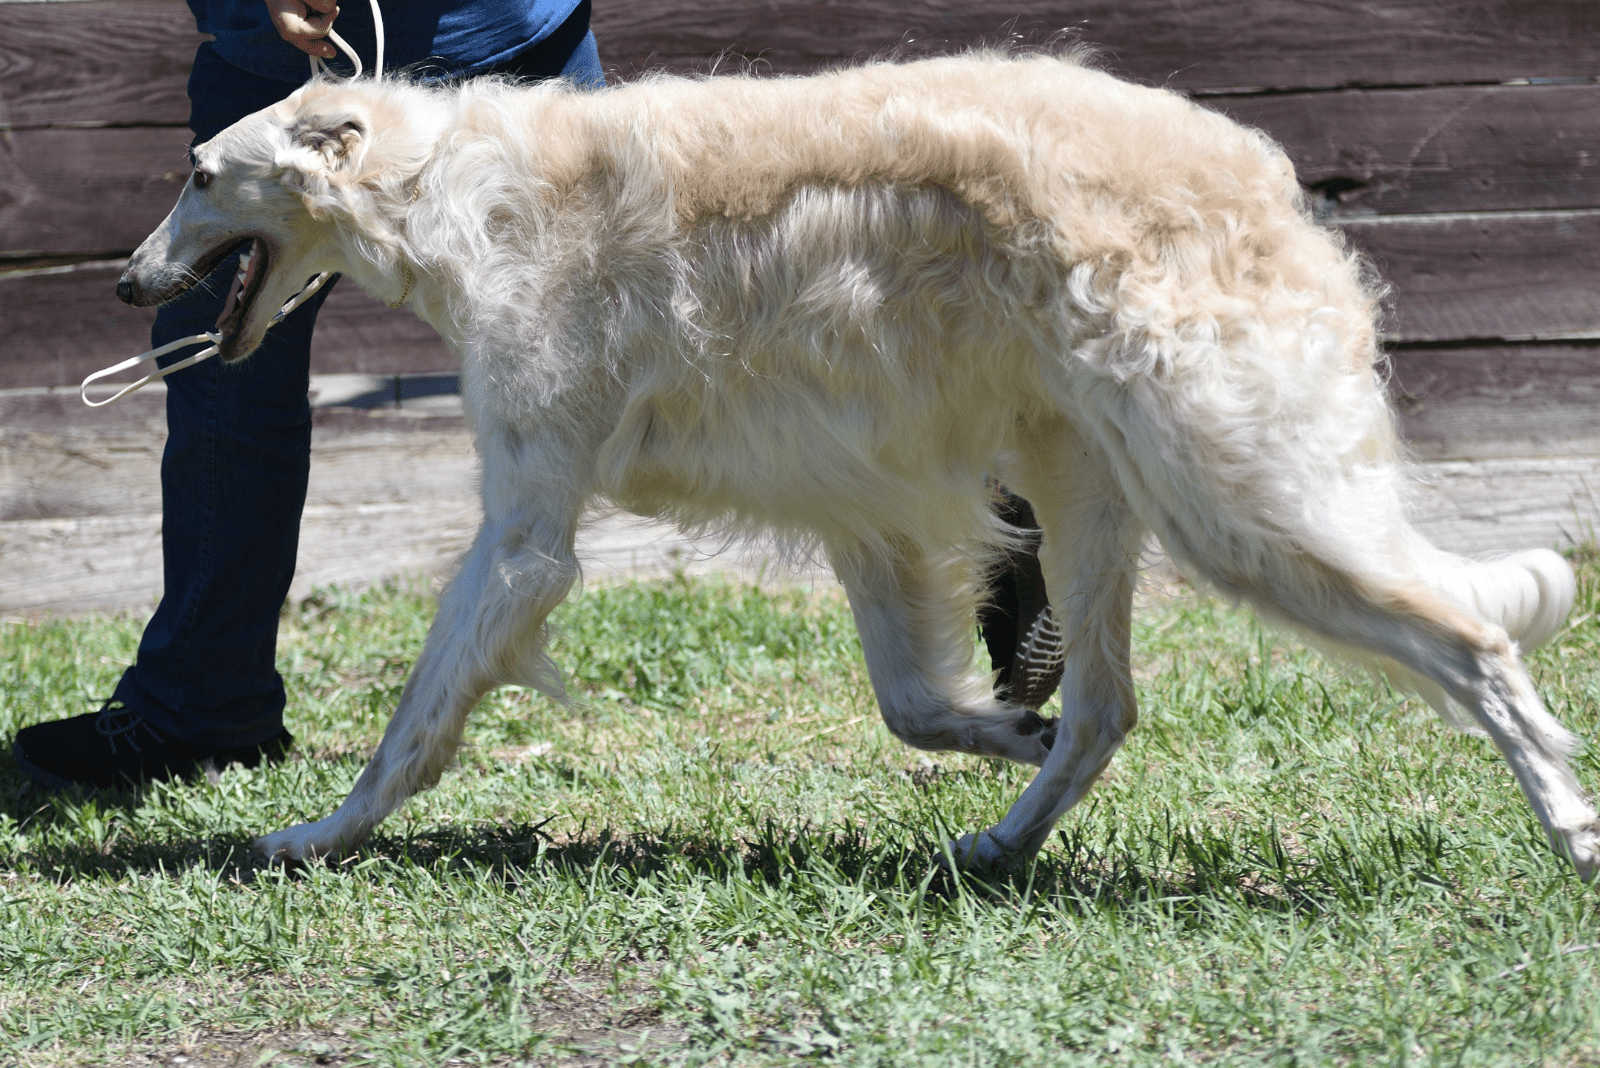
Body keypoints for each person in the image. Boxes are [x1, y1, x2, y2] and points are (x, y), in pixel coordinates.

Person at [14, 1, 1060, 790]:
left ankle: (981, 486)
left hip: (479, 33)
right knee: (226, 364)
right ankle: (204, 699)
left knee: (722, 341)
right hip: (315, 51)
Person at [12, 0, 605, 790]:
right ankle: (204, 710)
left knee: (636, 344)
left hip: (506, 39)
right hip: (271, 65)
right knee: (226, 379)